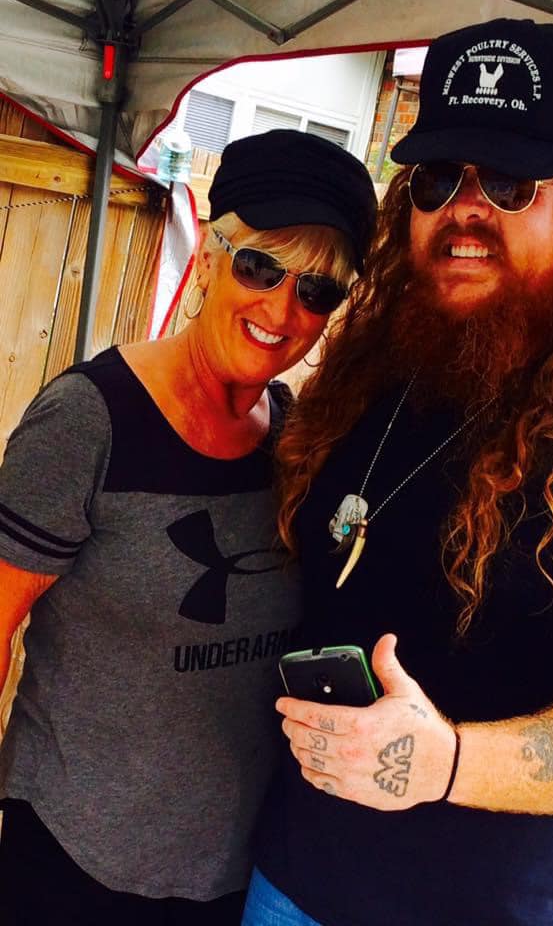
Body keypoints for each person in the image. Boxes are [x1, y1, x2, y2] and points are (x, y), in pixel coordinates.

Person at [241, 20, 553, 926]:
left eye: (508, 182)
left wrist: (447, 762)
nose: (464, 210)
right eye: (437, 180)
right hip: (288, 882)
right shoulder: (367, 379)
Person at [0, 128, 377, 925]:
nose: (281, 308)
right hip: (72, 861)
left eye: (317, 290)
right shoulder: (89, 420)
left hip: (230, 876)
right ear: (209, 254)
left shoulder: (295, 441)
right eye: (260, 267)